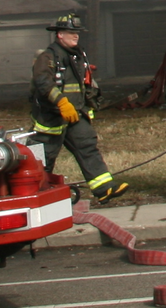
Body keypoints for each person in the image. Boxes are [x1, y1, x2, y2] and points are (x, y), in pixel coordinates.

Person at [31, 13, 129, 203]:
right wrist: (61, 102)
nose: (76, 36)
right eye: (71, 32)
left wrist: (90, 102)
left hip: (75, 116)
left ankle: (104, 188)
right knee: (43, 158)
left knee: (87, 146)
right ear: (59, 34)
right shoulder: (48, 57)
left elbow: (83, 86)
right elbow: (43, 84)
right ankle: (36, 195)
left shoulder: (77, 56)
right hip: (51, 118)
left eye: (77, 32)